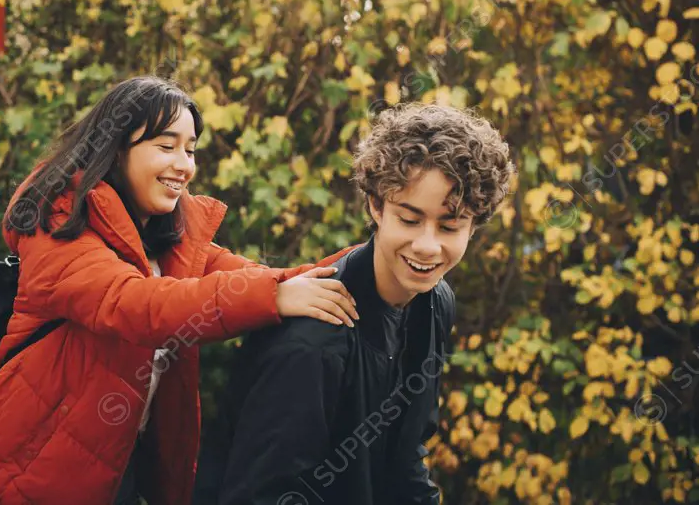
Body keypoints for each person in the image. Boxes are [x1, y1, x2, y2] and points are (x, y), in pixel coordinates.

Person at [0, 75, 362, 505]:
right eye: (166, 147)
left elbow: (263, 278)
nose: (184, 165)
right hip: (22, 480)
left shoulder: (170, 238)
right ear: (115, 148)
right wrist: (272, 296)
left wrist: (376, 259)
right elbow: (136, 305)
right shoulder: (59, 220)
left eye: (190, 150)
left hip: (115, 478)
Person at [193, 103, 516, 505]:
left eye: (450, 226)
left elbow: (406, 459)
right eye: (410, 220)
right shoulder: (312, 342)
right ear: (376, 207)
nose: (428, 246)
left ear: (474, 225)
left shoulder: (435, 302)